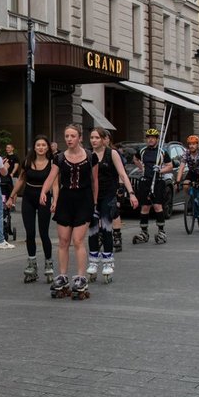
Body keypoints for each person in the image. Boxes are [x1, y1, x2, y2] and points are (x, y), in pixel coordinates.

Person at [42, 123, 98, 300]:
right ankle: (63, 276)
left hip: (84, 200)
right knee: (63, 240)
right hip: (65, 200)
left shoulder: (90, 156)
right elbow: (51, 177)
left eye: (72, 136)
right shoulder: (59, 158)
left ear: (79, 137)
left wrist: (94, 202)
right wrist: (44, 192)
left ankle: (81, 278)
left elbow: (95, 181)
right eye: (67, 136)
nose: (69, 139)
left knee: (78, 240)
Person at [87, 128, 137, 284]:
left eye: (96, 137)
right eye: (91, 137)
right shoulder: (88, 155)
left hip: (108, 195)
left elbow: (122, 173)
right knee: (93, 228)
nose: (93, 140)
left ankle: (108, 262)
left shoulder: (112, 154)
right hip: (92, 195)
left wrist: (131, 192)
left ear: (103, 139)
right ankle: (93, 261)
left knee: (106, 227)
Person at [7, 135, 54, 284]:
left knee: (43, 233)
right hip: (28, 198)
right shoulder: (27, 161)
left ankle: (48, 263)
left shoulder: (52, 164)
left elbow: (55, 184)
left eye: (43, 145)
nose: (41, 147)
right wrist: (11, 196)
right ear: (34, 147)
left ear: (48, 148)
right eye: (38, 145)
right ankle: (32, 264)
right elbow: (21, 179)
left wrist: (56, 201)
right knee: (30, 233)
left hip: (44, 199)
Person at [132, 128, 172, 245]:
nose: (150, 139)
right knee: (145, 207)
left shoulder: (162, 152)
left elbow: (169, 166)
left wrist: (160, 170)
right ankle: (144, 232)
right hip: (145, 181)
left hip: (158, 181)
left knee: (157, 206)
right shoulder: (143, 151)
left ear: (157, 139)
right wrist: (142, 168)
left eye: (152, 138)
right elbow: (135, 159)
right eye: (148, 137)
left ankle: (161, 231)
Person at [176, 135, 199, 227]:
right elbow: (181, 167)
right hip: (193, 173)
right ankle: (190, 200)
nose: (191, 146)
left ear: (197, 144)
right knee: (186, 184)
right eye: (190, 144)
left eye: (194, 144)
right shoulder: (186, 153)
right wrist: (178, 181)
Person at [1, 143, 20, 212]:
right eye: (6, 147)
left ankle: (13, 205)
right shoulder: (5, 157)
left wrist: (12, 173)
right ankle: (6, 204)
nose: (7, 149)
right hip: (5, 177)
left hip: (13, 176)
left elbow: (16, 166)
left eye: (9, 148)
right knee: (6, 190)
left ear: (12, 148)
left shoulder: (15, 157)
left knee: (14, 190)